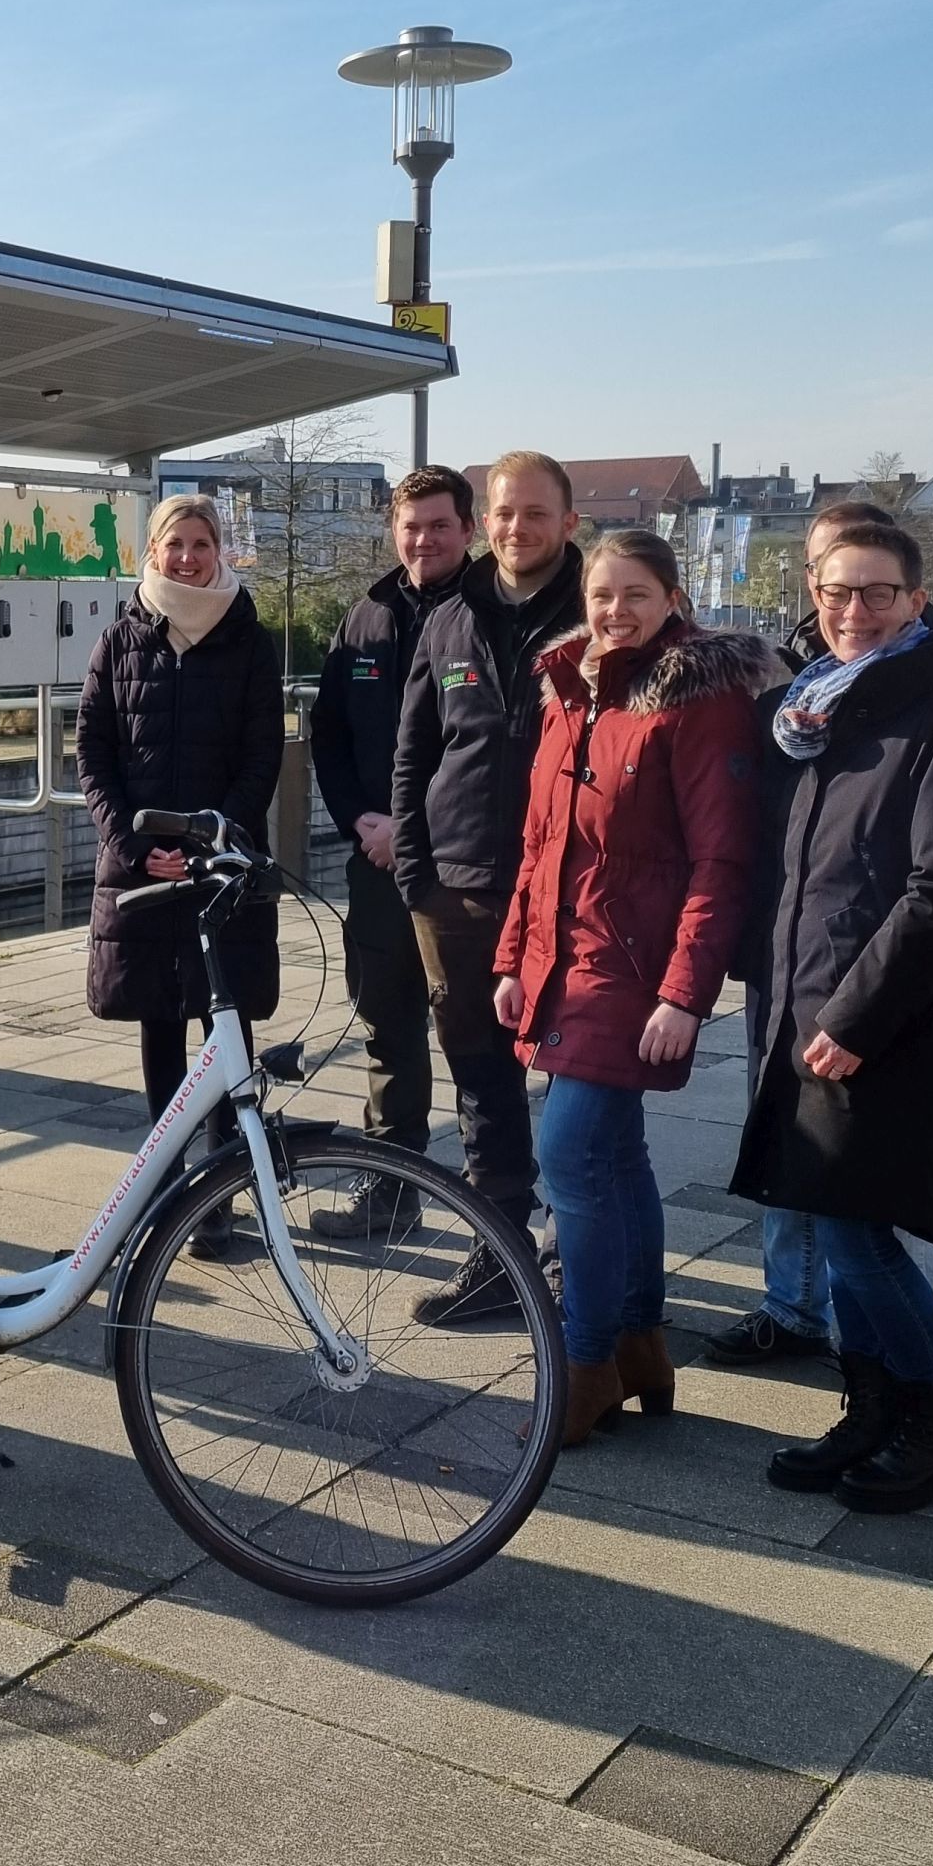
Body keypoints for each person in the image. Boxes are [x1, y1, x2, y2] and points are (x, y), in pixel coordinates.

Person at [735, 519, 933, 1512]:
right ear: (813, 590)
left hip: (883, 1015)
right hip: (807, 996)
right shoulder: (821, 706)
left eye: (877, 593)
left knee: (860, 1232)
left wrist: (856, 1015)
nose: (853, 612)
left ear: (915, 597)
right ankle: (872, 1409)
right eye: (836, 592)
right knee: (828, 1211)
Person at [492, 533, 769, 1443]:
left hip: (632, 970)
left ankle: (586, 1364)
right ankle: (641, 1351)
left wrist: (685, 994)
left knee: (570, 1160)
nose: (615, 612)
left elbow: (722, 859)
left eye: (636, 595)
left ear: (672, 598)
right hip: (564, 963)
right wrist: (510, 962)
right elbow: (539, 848)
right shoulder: (568, 689)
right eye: (603, 595)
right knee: (616, 1160)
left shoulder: (700, 697)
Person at [392, 451, 586, 1319]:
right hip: (459, 886)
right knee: (480, 1077)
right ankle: (500, 1248)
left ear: (568, 522)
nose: (516, 528)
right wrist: (414, 872)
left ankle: (575, 1259)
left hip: (571, 887)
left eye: (533, 513)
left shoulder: (603, 610)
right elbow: (414, 750)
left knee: (580, 1080)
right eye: (504, 512)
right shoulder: (450, 616)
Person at [706, 493, 886, 1368]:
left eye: (859, 578)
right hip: (781, 936)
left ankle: (874, 1337)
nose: (841, 600)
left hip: (859, 947)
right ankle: (793, 1304)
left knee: (855, 1147)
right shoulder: (782, 676)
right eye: (825, 576)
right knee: (777, 1119)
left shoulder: (907, 681)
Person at [79, 494, 283, 1249]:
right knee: (158, 1024)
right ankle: (166, 1186)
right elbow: (92, 752)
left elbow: (263, 754)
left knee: (222, 1025)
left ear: (220, 549)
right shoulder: (119, 639)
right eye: (175, 544)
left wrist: (210, 838)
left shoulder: (249, 641)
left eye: (202, 543)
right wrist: (133, 846)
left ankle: (222, 1185)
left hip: (219, 866)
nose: (188, 557)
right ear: (153, 550)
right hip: (141, 866)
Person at [310, 467, 478, 1182]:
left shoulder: (489, 615)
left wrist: (409, 832)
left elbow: (488, 750)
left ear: (468, 531)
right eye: (411, 526)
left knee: (475, 1041)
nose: (424, 539)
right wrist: (358, 820)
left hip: (461, 870)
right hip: (375, 862)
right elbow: (330, 734)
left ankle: (492, 1218)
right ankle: (390, 1188)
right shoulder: (366, 616)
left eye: (439, 525)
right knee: (386, 1027)